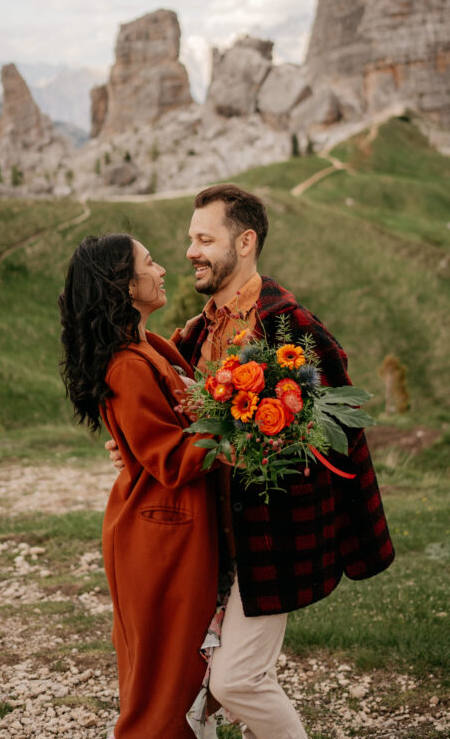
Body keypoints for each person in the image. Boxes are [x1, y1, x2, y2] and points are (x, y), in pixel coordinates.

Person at [108, 184, 395, 739]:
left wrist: (356, 536)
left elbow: (340, 440)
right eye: (190, 238)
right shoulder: (194, 334)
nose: (190, 251)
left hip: (270, 539)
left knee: (236, 681)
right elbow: (170, 422)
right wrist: (132, 442)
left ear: (245, 242)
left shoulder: (291, 329)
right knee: (190, 683)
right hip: (206, 541)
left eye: (204, 239)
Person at [58, 233, 218, 739]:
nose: (164, 269)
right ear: (125, 286)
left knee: (180, 673)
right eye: (151, 263)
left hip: (168, 528)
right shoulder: (128, 364)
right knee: (161, 681)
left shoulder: (147, 345)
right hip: (160, 534)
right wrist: (243, 423)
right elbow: (170, 459)